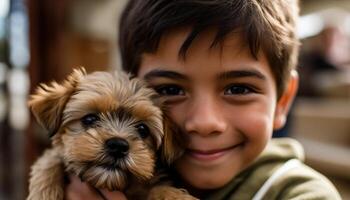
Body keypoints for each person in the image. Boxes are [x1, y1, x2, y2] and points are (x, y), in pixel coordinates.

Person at [66, 0, 342, 199]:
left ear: (283, 101)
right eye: (169, 90)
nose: (204, 122)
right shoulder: (97, 173)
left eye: (238, 89)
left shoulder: (299, 193)